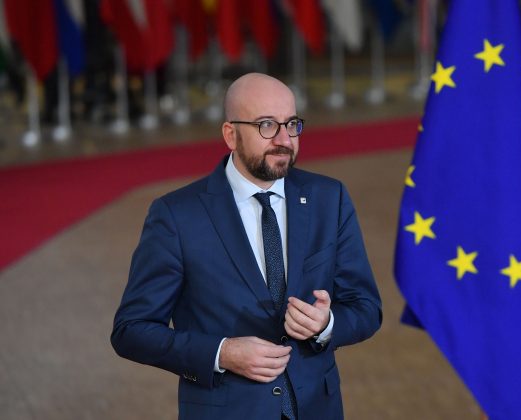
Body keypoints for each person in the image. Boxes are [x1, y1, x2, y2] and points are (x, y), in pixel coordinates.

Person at [111, 73, 382, 420]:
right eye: (267, 124)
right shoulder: (177, 216)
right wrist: (221, 353)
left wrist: (326, 324)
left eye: (292, 124)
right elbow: (131, 330)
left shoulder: (330, 199)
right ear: (230, 134)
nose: (284, 139)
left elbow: (366, 308)